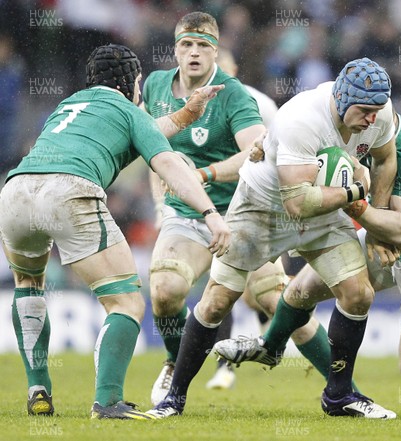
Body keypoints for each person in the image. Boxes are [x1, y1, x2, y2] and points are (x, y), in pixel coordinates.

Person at [218, 109, 401, 418]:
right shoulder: (353, 130)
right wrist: (265, 144)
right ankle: (278, 352)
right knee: (300, 290)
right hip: (380, 242)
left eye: (368, 117)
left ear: (381, 122)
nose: (359, 124)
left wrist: (351, 201)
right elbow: (298, 138)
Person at [148, 57, 399, 420]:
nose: (373, 119)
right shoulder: (302, 118)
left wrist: (376, 224)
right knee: (217, 302)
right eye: (365, 110)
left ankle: (339, 396)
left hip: (323, 210)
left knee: (358, 294)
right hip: (262, 208)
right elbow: (297, 203)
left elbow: (386, 159)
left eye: (377, 110)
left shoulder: (381, 111)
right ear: (342, 98)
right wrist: (357, 191)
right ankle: (175, 397)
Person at [0, 43, 229, 420]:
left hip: (16, 189)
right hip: (69, 190)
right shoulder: (127, 109)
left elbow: (133, 135)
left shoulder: (69, 106)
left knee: (28, 285)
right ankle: (107, 402)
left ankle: (38, 388)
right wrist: (210, 212)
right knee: (125, 301)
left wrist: (187, 113)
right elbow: (166, 160)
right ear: (131, 83)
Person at [144, 11, 342, 402]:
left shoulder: (236, 95)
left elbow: (257, 153)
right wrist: (160, 203)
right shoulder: (154, 86)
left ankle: (344, 389)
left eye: (204, 46)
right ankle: (173, 361)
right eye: (187, 45)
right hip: (187, 217)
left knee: (285, 305)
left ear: (216, 52)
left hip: (240, 218)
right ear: (176, 50)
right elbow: (151, 147)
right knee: (165, 292)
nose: (195, 53)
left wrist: (205, 175)